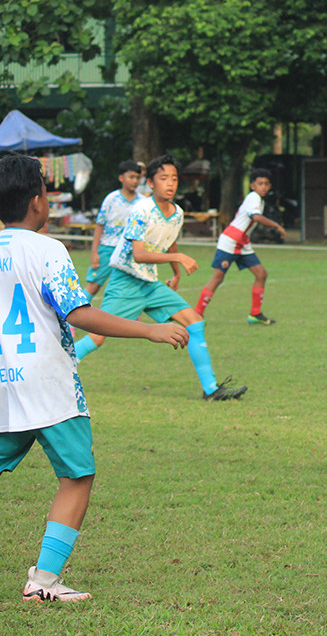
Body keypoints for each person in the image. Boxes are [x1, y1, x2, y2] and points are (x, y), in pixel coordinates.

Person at [0, 154, 188, 603]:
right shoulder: (47, 250)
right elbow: (79, 312)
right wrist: (149, 328)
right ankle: (43, 582)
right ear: (36, 203)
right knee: (77, 475)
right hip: (50, 388)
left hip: (4, 383)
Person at [72, 154, 247, 401]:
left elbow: (170, 240)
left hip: (150, 282)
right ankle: (58, 369)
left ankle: (211, 390)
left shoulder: (177, 213)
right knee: (98, 336)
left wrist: (176, 274)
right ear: (151, 183)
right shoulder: (141, 209)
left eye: (174, 178)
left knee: (195, 322)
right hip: (126, 280)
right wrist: (178, 260)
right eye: (163, 178)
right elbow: (139, 254)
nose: (170, 183)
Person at [194, 168, 286, 325]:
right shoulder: (253, 197)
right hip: (230, 241)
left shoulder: (259, 199)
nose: (263, 187)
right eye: (260, 183)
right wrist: (276, 225)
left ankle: (255, 314)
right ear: (252, 186)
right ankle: (196, 314)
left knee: (261, 274)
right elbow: (255, 217)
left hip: (242, 243)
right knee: (218, 277)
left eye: (266, 184)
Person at [84, 161, 143, 300]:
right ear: (121, 178)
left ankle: (132, 320)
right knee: (93, 285)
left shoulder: (143, 202)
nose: (135, 181)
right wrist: (94, 253)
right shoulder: (111, 199)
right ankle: (70, 317)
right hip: (107, 249)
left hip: (129, 252)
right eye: (131, 177)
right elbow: (99, 225)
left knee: (131, 288)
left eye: (137, 177)